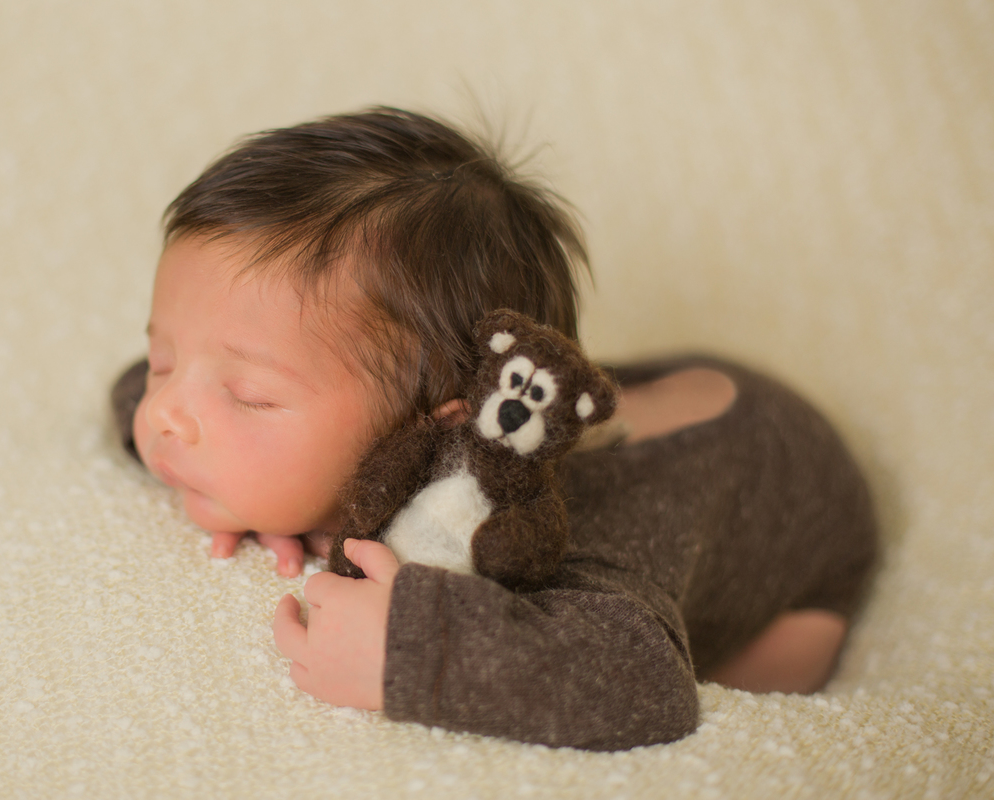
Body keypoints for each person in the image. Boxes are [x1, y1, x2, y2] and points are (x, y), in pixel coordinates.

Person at [110, 107, 877, 750]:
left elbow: (643, 683)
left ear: (440, 424)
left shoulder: (558, 536)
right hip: (662, 376)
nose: (164, 411)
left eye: (248, 396)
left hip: (801, 513)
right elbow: (135, 393)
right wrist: (270, 487)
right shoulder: (240, 389)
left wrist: (416, 648)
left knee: (763, 672)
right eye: (164, 356)